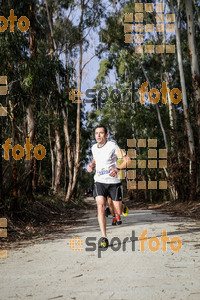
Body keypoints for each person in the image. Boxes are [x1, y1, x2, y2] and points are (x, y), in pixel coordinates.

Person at [87, 125, 131, 248]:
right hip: (99, 181)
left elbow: (127, 160)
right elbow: (95, 160)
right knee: (100, 206)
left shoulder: (112, 146)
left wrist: (117, 168)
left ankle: (122, 206)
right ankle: (104, 238)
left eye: (101, 133)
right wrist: (91, 165)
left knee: (118, 211)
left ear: (106, 135)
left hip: (113, 182)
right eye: (96, 133)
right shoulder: (94, 147)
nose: (98, 135)